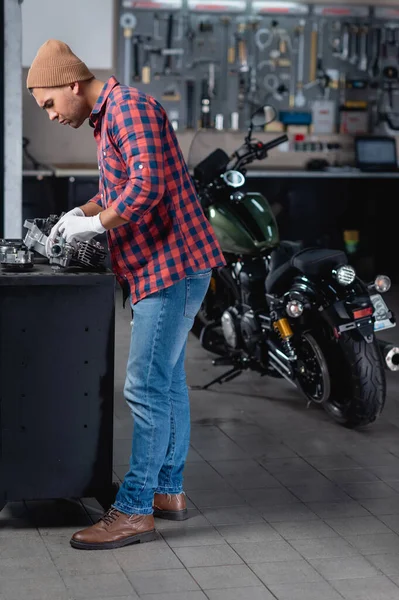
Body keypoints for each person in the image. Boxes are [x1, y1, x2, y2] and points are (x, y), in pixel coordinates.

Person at [27, 39, 226, 550]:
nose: (49, 116)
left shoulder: (129, 107)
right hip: (168, 267)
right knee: (166, 381)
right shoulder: (108, 116)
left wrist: (97, 227)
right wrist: (83, 212)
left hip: (170, 267)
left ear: (72, 84)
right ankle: (167, 491)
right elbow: (120, 188)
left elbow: (148, 187)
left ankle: (134, 510)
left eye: (49, 104)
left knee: (143, 387)